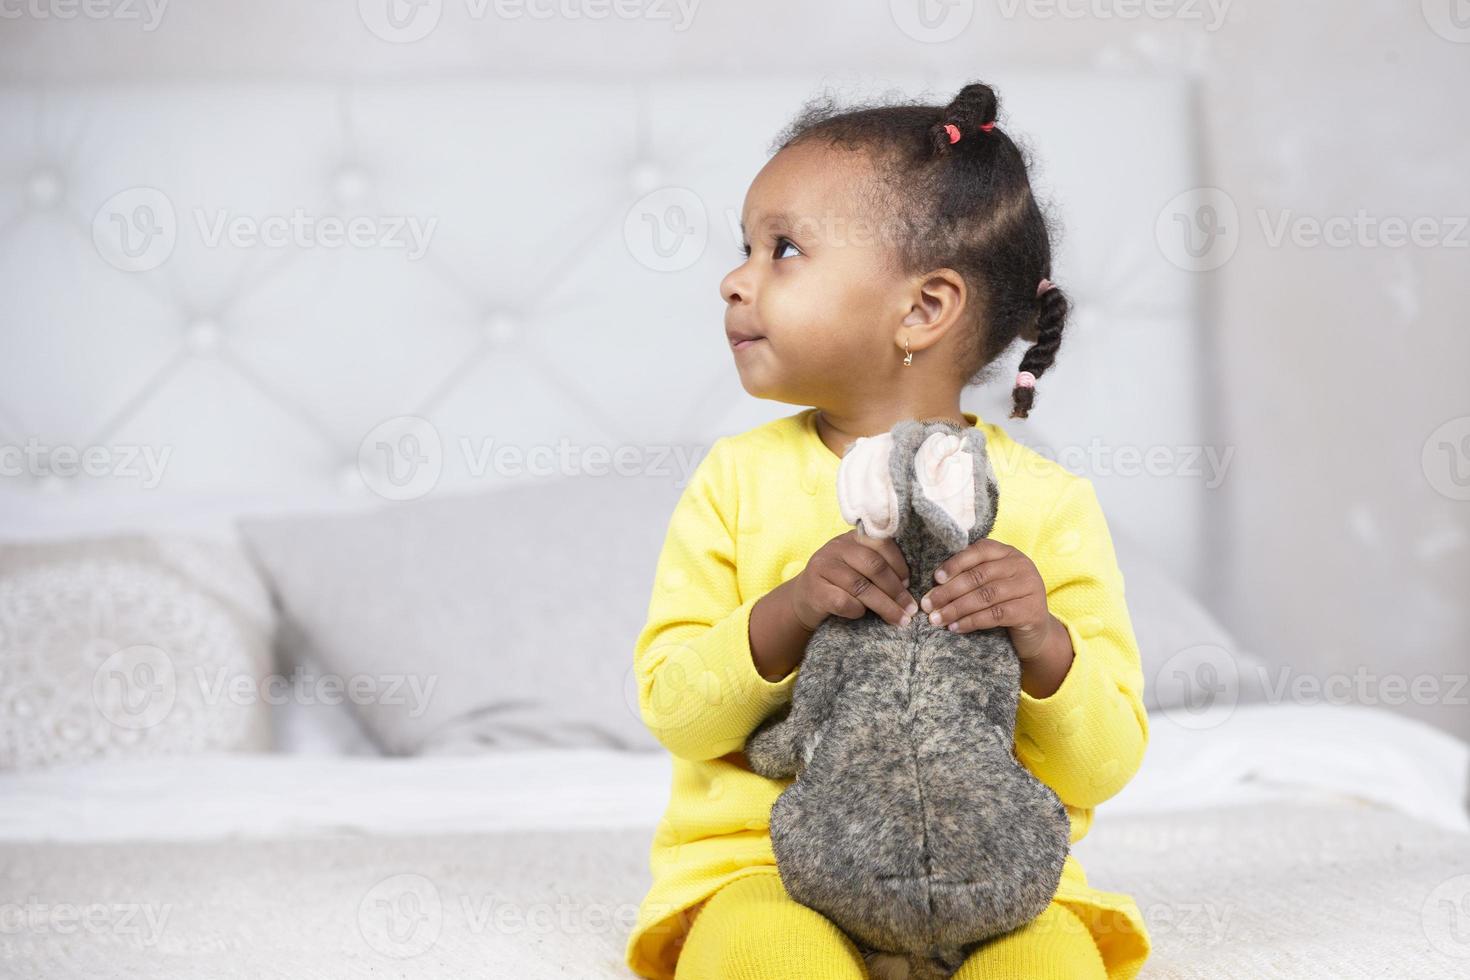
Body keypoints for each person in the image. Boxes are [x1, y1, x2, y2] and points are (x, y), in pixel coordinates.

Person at [624, 80, 1150, 980]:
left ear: (921, 309)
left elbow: (1102, 765)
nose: (735, 278)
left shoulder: (1050, 503)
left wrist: (1043, 643)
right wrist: (787, 611)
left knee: (1055, 966)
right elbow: (676, 713)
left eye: (783, 249)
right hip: (764, 871)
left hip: (1000, 881)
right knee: (764, 953)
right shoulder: (735, 483)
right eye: (745, 247)